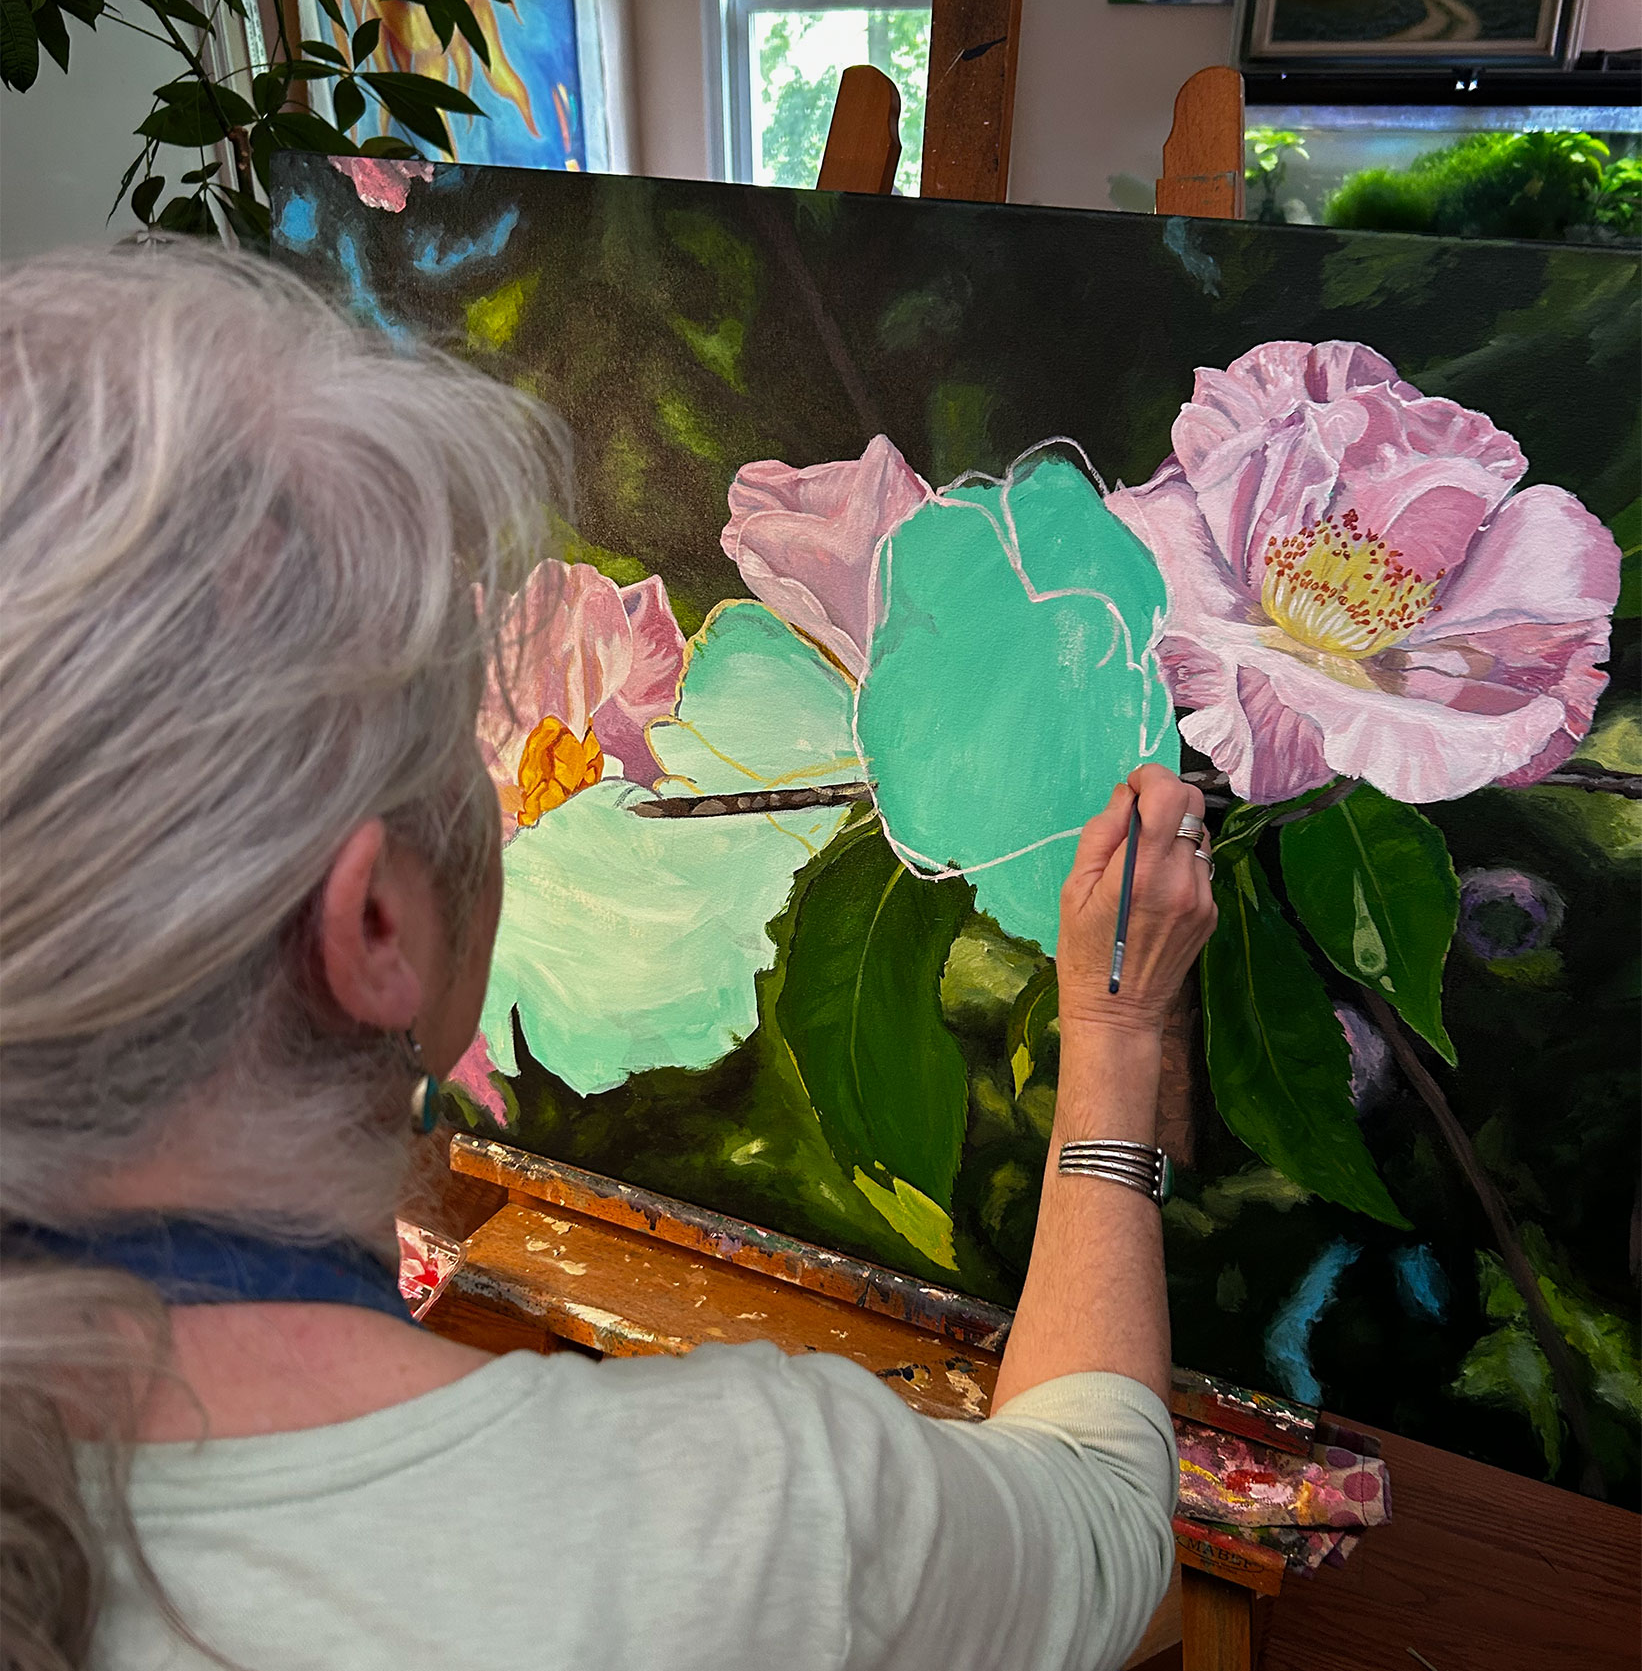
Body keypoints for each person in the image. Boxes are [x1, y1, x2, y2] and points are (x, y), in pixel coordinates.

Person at [0, 246, 1216, 1671]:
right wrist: (1117, 1037)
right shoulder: (732, 1533)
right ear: (375, 928)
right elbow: (1107, 1528)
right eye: (456, 744)